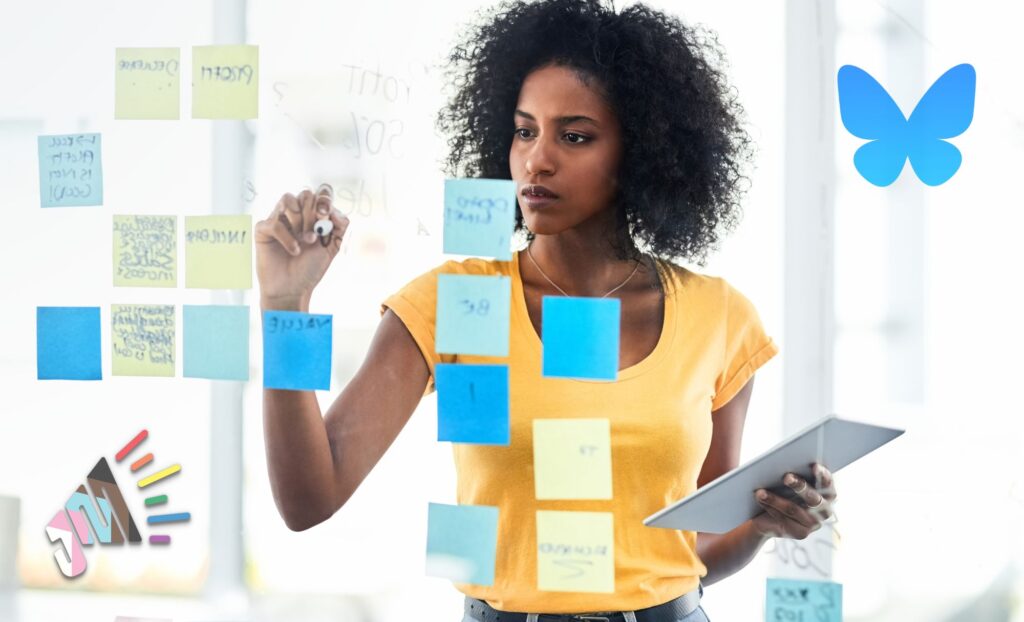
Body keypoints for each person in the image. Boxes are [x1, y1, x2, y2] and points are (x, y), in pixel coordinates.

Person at [255, 0, 838, 620]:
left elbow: (687, 549)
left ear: (639, 152)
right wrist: (285, 305)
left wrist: (767, 524)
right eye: (525, 130)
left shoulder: (719, 316)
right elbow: (308, 500)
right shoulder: (451, 301)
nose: (537, 159)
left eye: (575, 135)